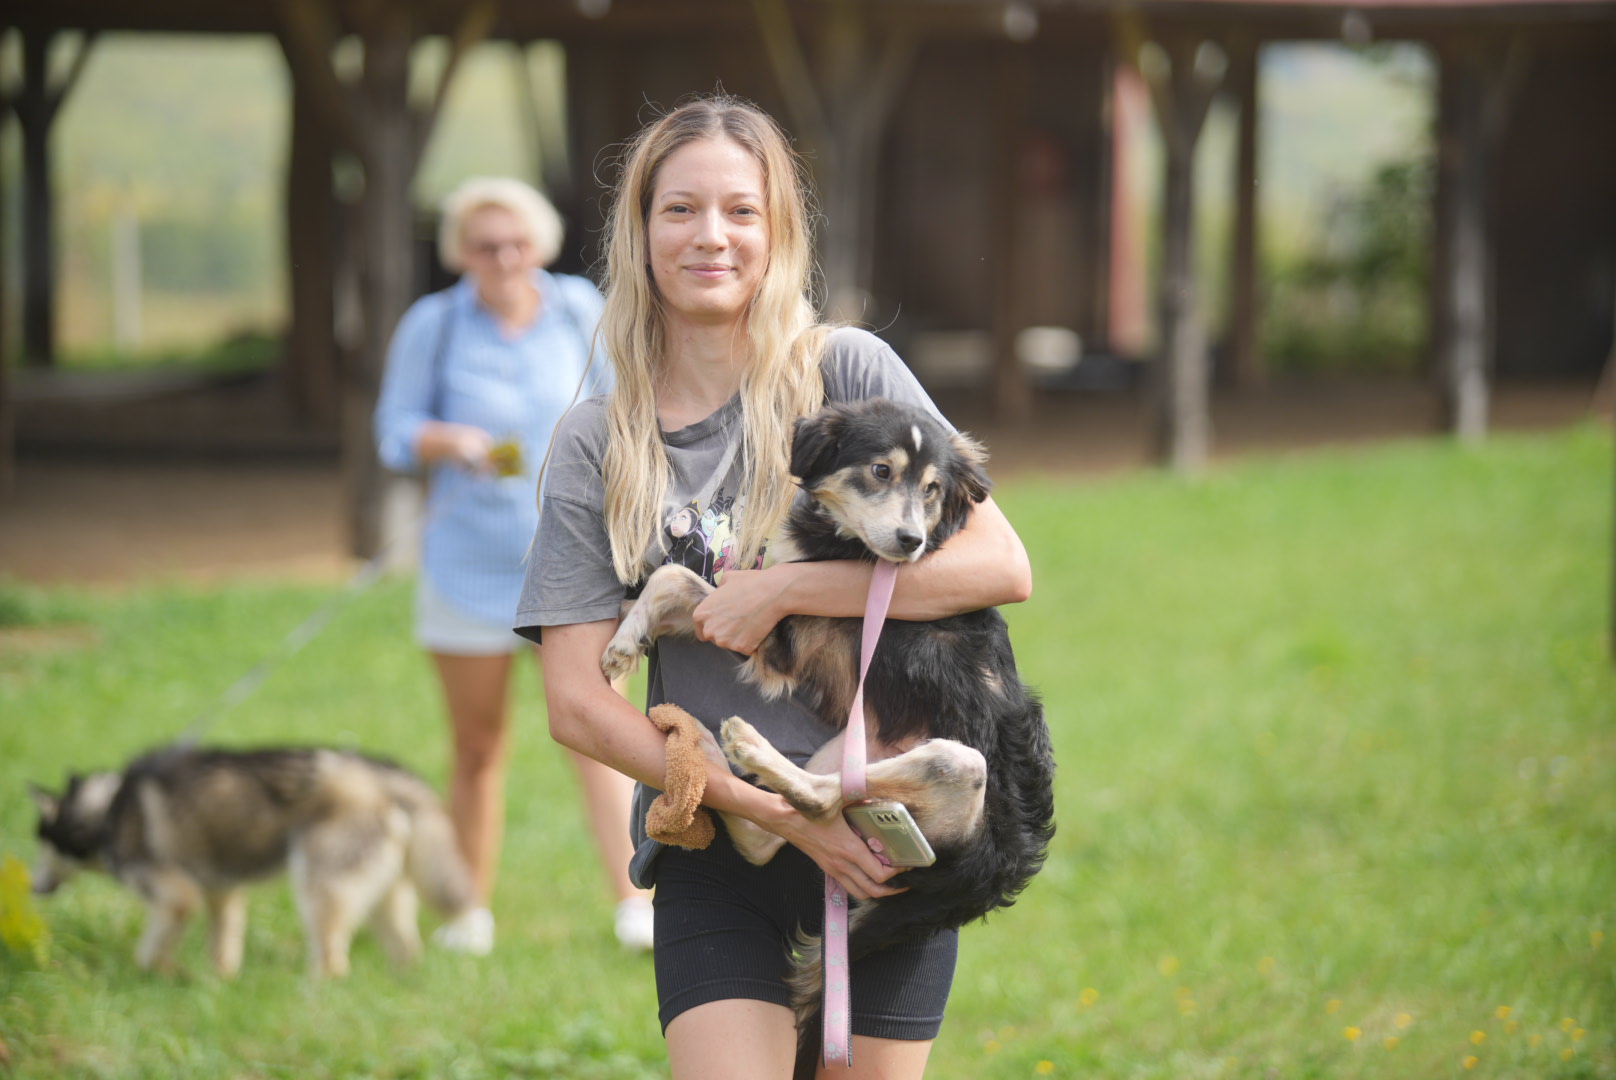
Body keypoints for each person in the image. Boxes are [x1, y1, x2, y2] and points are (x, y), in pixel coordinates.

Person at [514, 97, 1032, 1079]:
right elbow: (576, 702)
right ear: (639, 230)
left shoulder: (849, 372)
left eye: (740, 210)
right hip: (719, 844)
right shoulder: (596, 439)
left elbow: (998, 567)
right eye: (680, 209)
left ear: (778, 230)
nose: (710, 235)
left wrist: (784, 591)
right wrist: (784, 816)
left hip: (885, 847)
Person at [374, 177, 654, 955]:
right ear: (460, 253)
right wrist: (446, 441)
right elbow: (392, 431)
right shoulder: (433, 324)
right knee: (477, 745)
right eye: (485, 245)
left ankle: (637, 901)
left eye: (517, 243)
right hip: (467, 566)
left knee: (603, 732)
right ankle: (467, 911)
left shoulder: (577, 309)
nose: (503, 258)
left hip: (574, 562)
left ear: (541, 244)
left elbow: (630, 411)